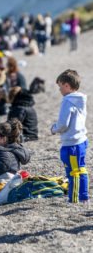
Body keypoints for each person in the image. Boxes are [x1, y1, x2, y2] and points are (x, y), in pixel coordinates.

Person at [51, 69, 88, 203]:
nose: (59, 89)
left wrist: (54, 129)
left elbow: (63, 124)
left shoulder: (68, 100)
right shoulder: (80, 99)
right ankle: (83, 196)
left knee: (74, 172)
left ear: (67, 85)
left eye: (60, 86)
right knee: (81, 168)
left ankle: (75, 198)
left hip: (72, 143)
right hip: (81, 140)